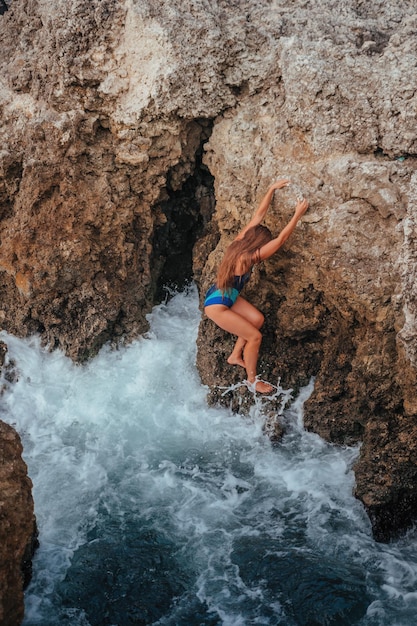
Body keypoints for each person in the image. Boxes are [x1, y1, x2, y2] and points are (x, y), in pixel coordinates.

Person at [204, 179, 309, 393]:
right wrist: (297, 214)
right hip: (218, 306)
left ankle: (235, 355)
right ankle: (252, 380)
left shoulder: (239, 242)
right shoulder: (248, 259)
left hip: (224, 295)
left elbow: (258, 216)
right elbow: (280, 240)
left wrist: (271, 189)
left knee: (257, 319)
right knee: (255, 336)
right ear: (258, 245)